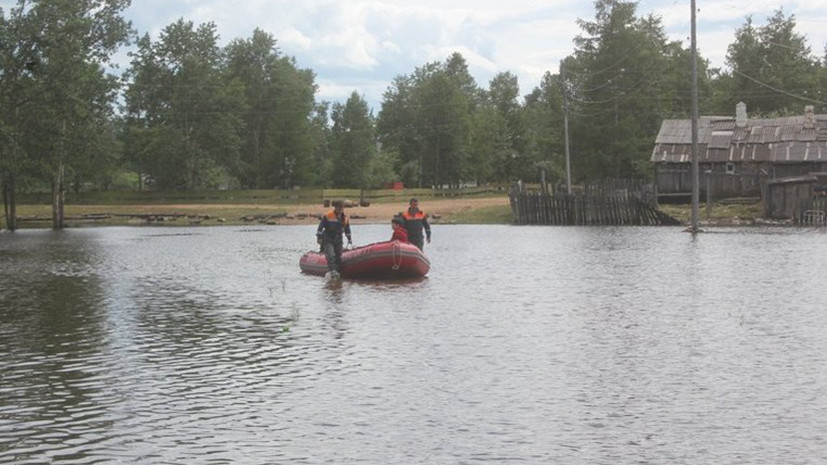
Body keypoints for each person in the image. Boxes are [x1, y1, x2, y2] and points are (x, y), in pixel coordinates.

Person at [316, 200, 352, 276]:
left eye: (342, 208)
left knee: (338, 256)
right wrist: (319, 237)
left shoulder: (344, 218)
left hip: (338, 240)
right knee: (331, 255)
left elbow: (347, 229)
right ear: (335, 208)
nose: (340, 210)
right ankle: (332, 271)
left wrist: (349, 239)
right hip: (328, 239)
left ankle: (337, 271)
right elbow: (320, 227)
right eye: (339, 208)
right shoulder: (328, 216)